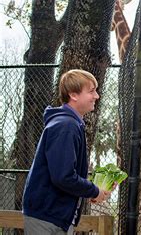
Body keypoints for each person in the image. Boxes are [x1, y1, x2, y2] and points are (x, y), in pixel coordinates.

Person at [22, 69, 111, 234]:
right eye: (91, 91)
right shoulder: (66, 126)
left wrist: (91, 190)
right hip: (47, 216)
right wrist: (94, 190)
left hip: (54, 215)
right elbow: (63, 176)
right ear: (74, 95)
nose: (96, 96)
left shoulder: (70, 124)